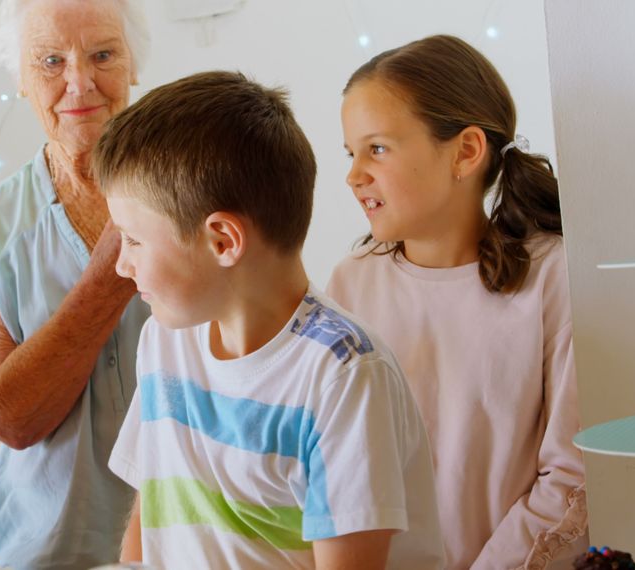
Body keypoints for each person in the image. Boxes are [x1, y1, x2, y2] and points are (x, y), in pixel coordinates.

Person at [98, 71, 445, 569]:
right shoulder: (163, 342)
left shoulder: (342, 374)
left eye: (133, 240)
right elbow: (152, 518)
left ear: (223, 241)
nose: (121, 265)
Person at [328, 35, 587, 569]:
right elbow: (332, 467)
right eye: (351, 152)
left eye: (376, 148)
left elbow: (571, 475)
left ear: (466, 151)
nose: (354, 175)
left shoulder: (552, 277)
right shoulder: (351, 284)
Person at [0, 0, 151, 566]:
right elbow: (9, 418)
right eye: (49, 61)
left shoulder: (191, 189)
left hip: (185, 541)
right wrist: (112, 270)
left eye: (103, 55)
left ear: (133, 63)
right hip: (47, 552)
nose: (79, 81)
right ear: (20, 78)